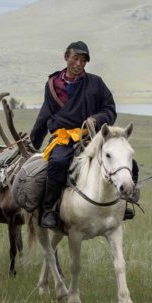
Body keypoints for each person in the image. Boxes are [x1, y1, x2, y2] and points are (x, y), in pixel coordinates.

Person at [29, 41, 118, 229]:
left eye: (83, 60)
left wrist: (96, 118)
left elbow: (110, 109)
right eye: (75, 58)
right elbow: (46, 113)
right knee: (58, 161)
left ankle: (124, 200)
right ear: (66, 57)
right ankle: (50, 209)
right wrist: (34, 141)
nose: (79, 63)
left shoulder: (96, 83)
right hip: (65, 137)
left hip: (91, 136)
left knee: (122, 157)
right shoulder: (53, 85)